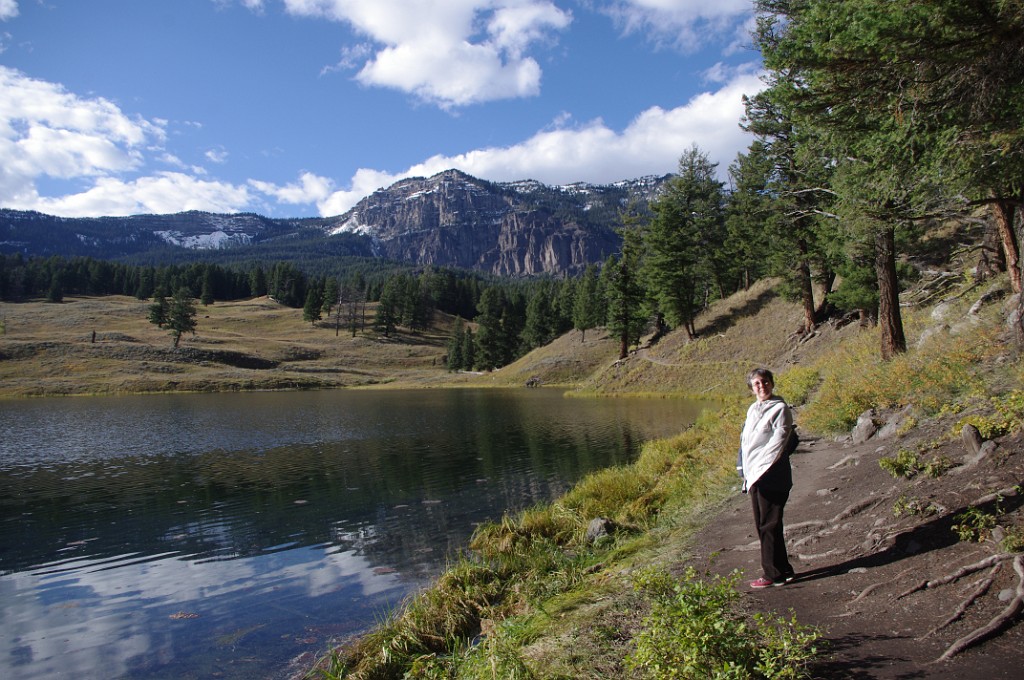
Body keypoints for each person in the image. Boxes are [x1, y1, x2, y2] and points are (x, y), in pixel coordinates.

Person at [738, 367, 795, 589]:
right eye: (757, 384)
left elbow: (778, 443)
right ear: (752, 389)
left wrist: (760, 470)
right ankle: (783, 570)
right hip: (755, 475)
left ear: (772, 383)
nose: (762, 386)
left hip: (771, 474)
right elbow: (746, 442)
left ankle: (773, 574)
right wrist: (745, 471)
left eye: (765, 382)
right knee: (764, 523)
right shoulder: (753, 409)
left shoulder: (780, 408)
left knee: (769, 525)